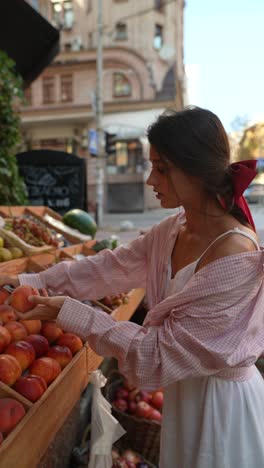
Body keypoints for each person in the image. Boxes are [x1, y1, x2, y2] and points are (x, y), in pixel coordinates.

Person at [1, 106, 264, 468]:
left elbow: (156, 356)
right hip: (185, 396)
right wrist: (31, 282)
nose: (150, 181)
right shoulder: (174, 229)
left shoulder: (236, 255)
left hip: (221, 409)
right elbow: (111, 266)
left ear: (195, 169)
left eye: (161, 169)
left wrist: (69, 312)